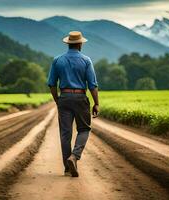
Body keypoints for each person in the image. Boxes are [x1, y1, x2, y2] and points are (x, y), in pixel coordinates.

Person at [47, 31, 99, 177]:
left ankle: (67, 167)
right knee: (84, 129)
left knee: (65, 133)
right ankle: (74, 156)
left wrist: (58, 100)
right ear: (80, 44)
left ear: (68, 44)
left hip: (64, 97)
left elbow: (51, 84)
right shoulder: (86, 60)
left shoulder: (57, 60)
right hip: (80, 97)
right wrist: (96, 103)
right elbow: (92, 85)